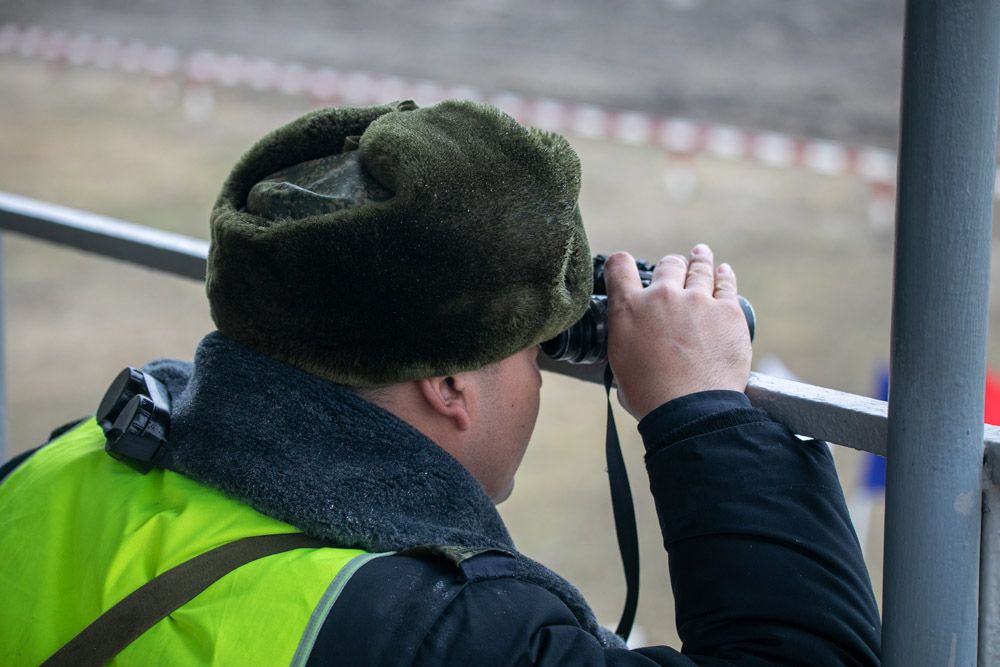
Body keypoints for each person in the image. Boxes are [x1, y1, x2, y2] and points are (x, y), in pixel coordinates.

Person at [0, 100, 881, 665]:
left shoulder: (63, 465)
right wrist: (702, 412)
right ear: (452, 382)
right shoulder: (439, 633)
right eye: (534, 350)